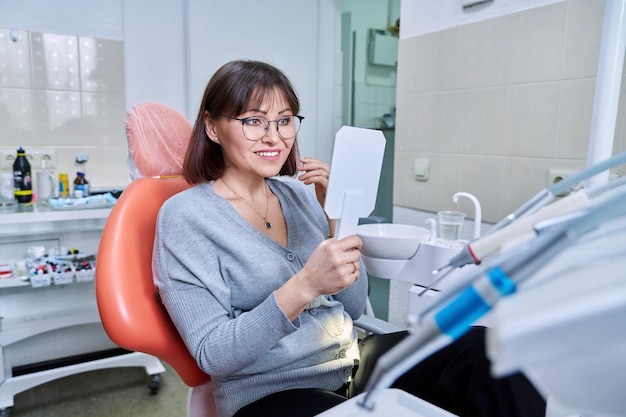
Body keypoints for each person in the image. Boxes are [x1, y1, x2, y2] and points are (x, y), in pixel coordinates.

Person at [152, 60, 546, 417]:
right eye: (253, 121)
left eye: (285, 120)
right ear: (212, 127)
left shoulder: (301, 196)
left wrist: (338, 220)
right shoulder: (186, 217)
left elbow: (354, 307)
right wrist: (305, 284)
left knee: (485, 353)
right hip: (269, 393)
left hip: (350, 364)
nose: (274, 137)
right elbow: (213, 354)